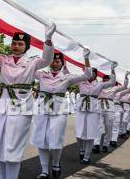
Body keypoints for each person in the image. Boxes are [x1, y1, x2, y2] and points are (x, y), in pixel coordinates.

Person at [0, 23, 57, 179]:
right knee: (0, 147)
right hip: (1, 107)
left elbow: (48, 59)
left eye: (20, 44)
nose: (16, 46)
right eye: (14, 43)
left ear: (26, 46)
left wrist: (48, 39)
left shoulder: (33, 62)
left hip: (21, 109)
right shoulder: (4, 59)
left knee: (12, 149)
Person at [31, 49, 92, 179]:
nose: (54, 63)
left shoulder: (67, 77)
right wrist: (35, 60)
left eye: (57, 61)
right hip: (42, 110)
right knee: (41, 141)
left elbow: (87, 74)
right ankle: (44, 170)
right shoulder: (41, 74)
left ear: (62, 63)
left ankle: (56, 163)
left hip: (59, 111)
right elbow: (28, 68)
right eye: (52, 60)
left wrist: (86, 58)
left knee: (56, 140)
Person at [75, 62, 117, 164]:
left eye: (92, 72)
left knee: (90, 134)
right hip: (81, 109)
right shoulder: (80, 81)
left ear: (96, 74)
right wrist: (65, 65)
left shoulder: (100, 84)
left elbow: (112, 82)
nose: (90, 74)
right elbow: (67, 76)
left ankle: (87, 156)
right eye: (88, 72)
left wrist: (112, 69)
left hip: (93, 110)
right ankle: (82, 149)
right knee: (78, 134)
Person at [92, 71, 129, 153]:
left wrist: (126, 78)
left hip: (109, 108)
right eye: (104, 79)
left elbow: (125, 87)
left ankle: (105, 144)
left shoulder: (114, 88)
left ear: (109, 80)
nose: (105, 81)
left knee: (108, 127)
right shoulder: (99, 86)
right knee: (98, 126)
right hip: (99, 107)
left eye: (106, 80)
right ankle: (96, 144)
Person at [109, 73, 130, 147]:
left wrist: (126, 77)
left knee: (116, 124)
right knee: (109, 125)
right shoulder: (105, 90)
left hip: (117, 109)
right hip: (108, 108)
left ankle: (114, 140)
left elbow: (127, 88)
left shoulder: (120, 93)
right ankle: (108, 139)